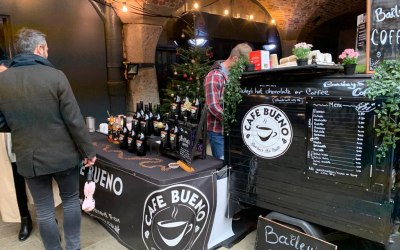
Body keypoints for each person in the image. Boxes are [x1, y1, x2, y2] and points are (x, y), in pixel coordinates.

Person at [0, 28, 96, 250]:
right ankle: (73, 247)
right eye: (46, 50)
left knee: (44, 211)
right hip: (64, 155)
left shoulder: (3, 82)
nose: (47, 54)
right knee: (71, 201)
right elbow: (74, 120)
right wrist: (88, 152)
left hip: (29, 157)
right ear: (38, 49)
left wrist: (18, 123)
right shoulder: (56, 76)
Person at [0, 60, 32, 241]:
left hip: (30, 139)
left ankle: (47, 219)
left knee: (39, 179)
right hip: (7, 139)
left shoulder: (22, 90)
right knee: (16, 182)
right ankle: (25, 219)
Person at [204, 43, 252, 160]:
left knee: (233, 165)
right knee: (222, 167)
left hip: (233, 131)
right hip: (218, 132)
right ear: (235, 58)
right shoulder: (215, 75)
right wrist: (232, 120)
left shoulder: (234, 75)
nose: (243, 67)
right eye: (243, 63)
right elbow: (213, 106)